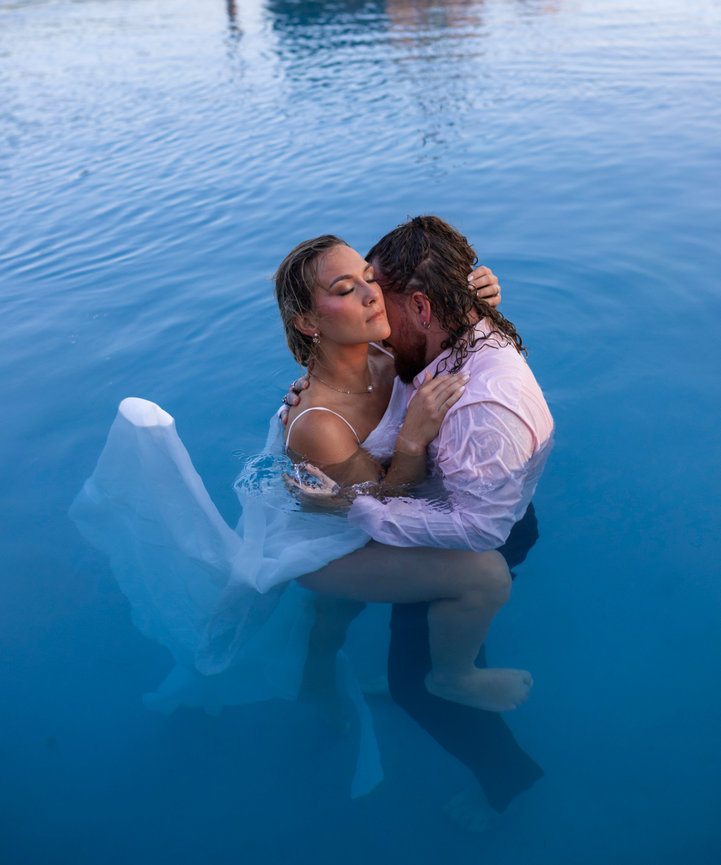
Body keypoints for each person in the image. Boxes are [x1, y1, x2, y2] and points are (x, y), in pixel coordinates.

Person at [283, 215, 554, 817]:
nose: (371, 293)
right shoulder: (332, 402)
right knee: (340, 607)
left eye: (369, 279)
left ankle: (501, 781)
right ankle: (326, 679)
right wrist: (405, 444)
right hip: (390, 521)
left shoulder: (388, 350)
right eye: (349, 287)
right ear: (308, 320)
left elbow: (438, 321)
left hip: (443, 524)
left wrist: (478, 293)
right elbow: (371, 498)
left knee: (412, 666)